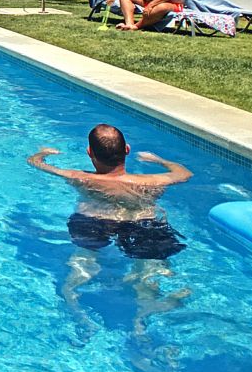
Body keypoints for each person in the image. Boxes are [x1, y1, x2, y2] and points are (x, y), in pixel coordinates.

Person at [28, 124, 192, 337]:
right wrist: (160, 161)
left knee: (81, 265)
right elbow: (184, 173)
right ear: (127, 150)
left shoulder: (80, 178)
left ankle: (78, 310)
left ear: (89, 153)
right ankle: (140, 323)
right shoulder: (153, 182)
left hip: (93, 221)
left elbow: (36, 163)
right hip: (142, 223)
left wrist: (42, 152)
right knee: (149, 274)